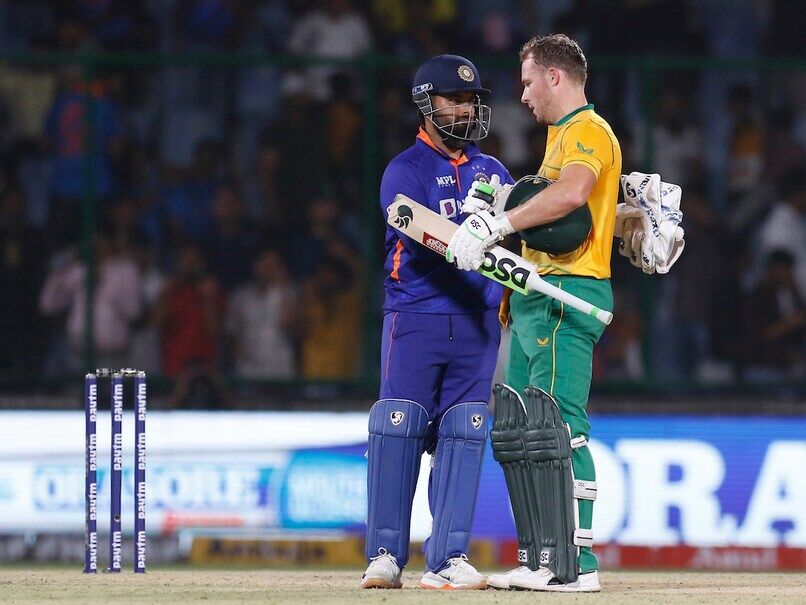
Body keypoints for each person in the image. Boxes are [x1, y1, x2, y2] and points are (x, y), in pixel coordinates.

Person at [447, 34, 621, 592]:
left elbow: (571, 195)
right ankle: (541, 556)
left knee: (560, 427)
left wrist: (497, 224)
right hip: (535, 296)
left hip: (567, 294)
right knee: (522, 433)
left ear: (554, 76)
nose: (522, 95)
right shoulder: (560, 136)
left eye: (526, 83)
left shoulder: (588, 131)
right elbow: (559, 212)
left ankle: (578, 565)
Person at [362, 54, 513, 590]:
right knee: (398, 427)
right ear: (426, 104)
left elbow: (521, 227)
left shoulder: (494, 171)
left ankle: (448, 558)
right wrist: (463, 239)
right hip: (416, 315)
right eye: (454, 99)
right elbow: (415, 227)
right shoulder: (405, 170)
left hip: (477, 322)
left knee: (465, 432)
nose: (466, 109)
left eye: (471, 100)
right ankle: (385, 555)